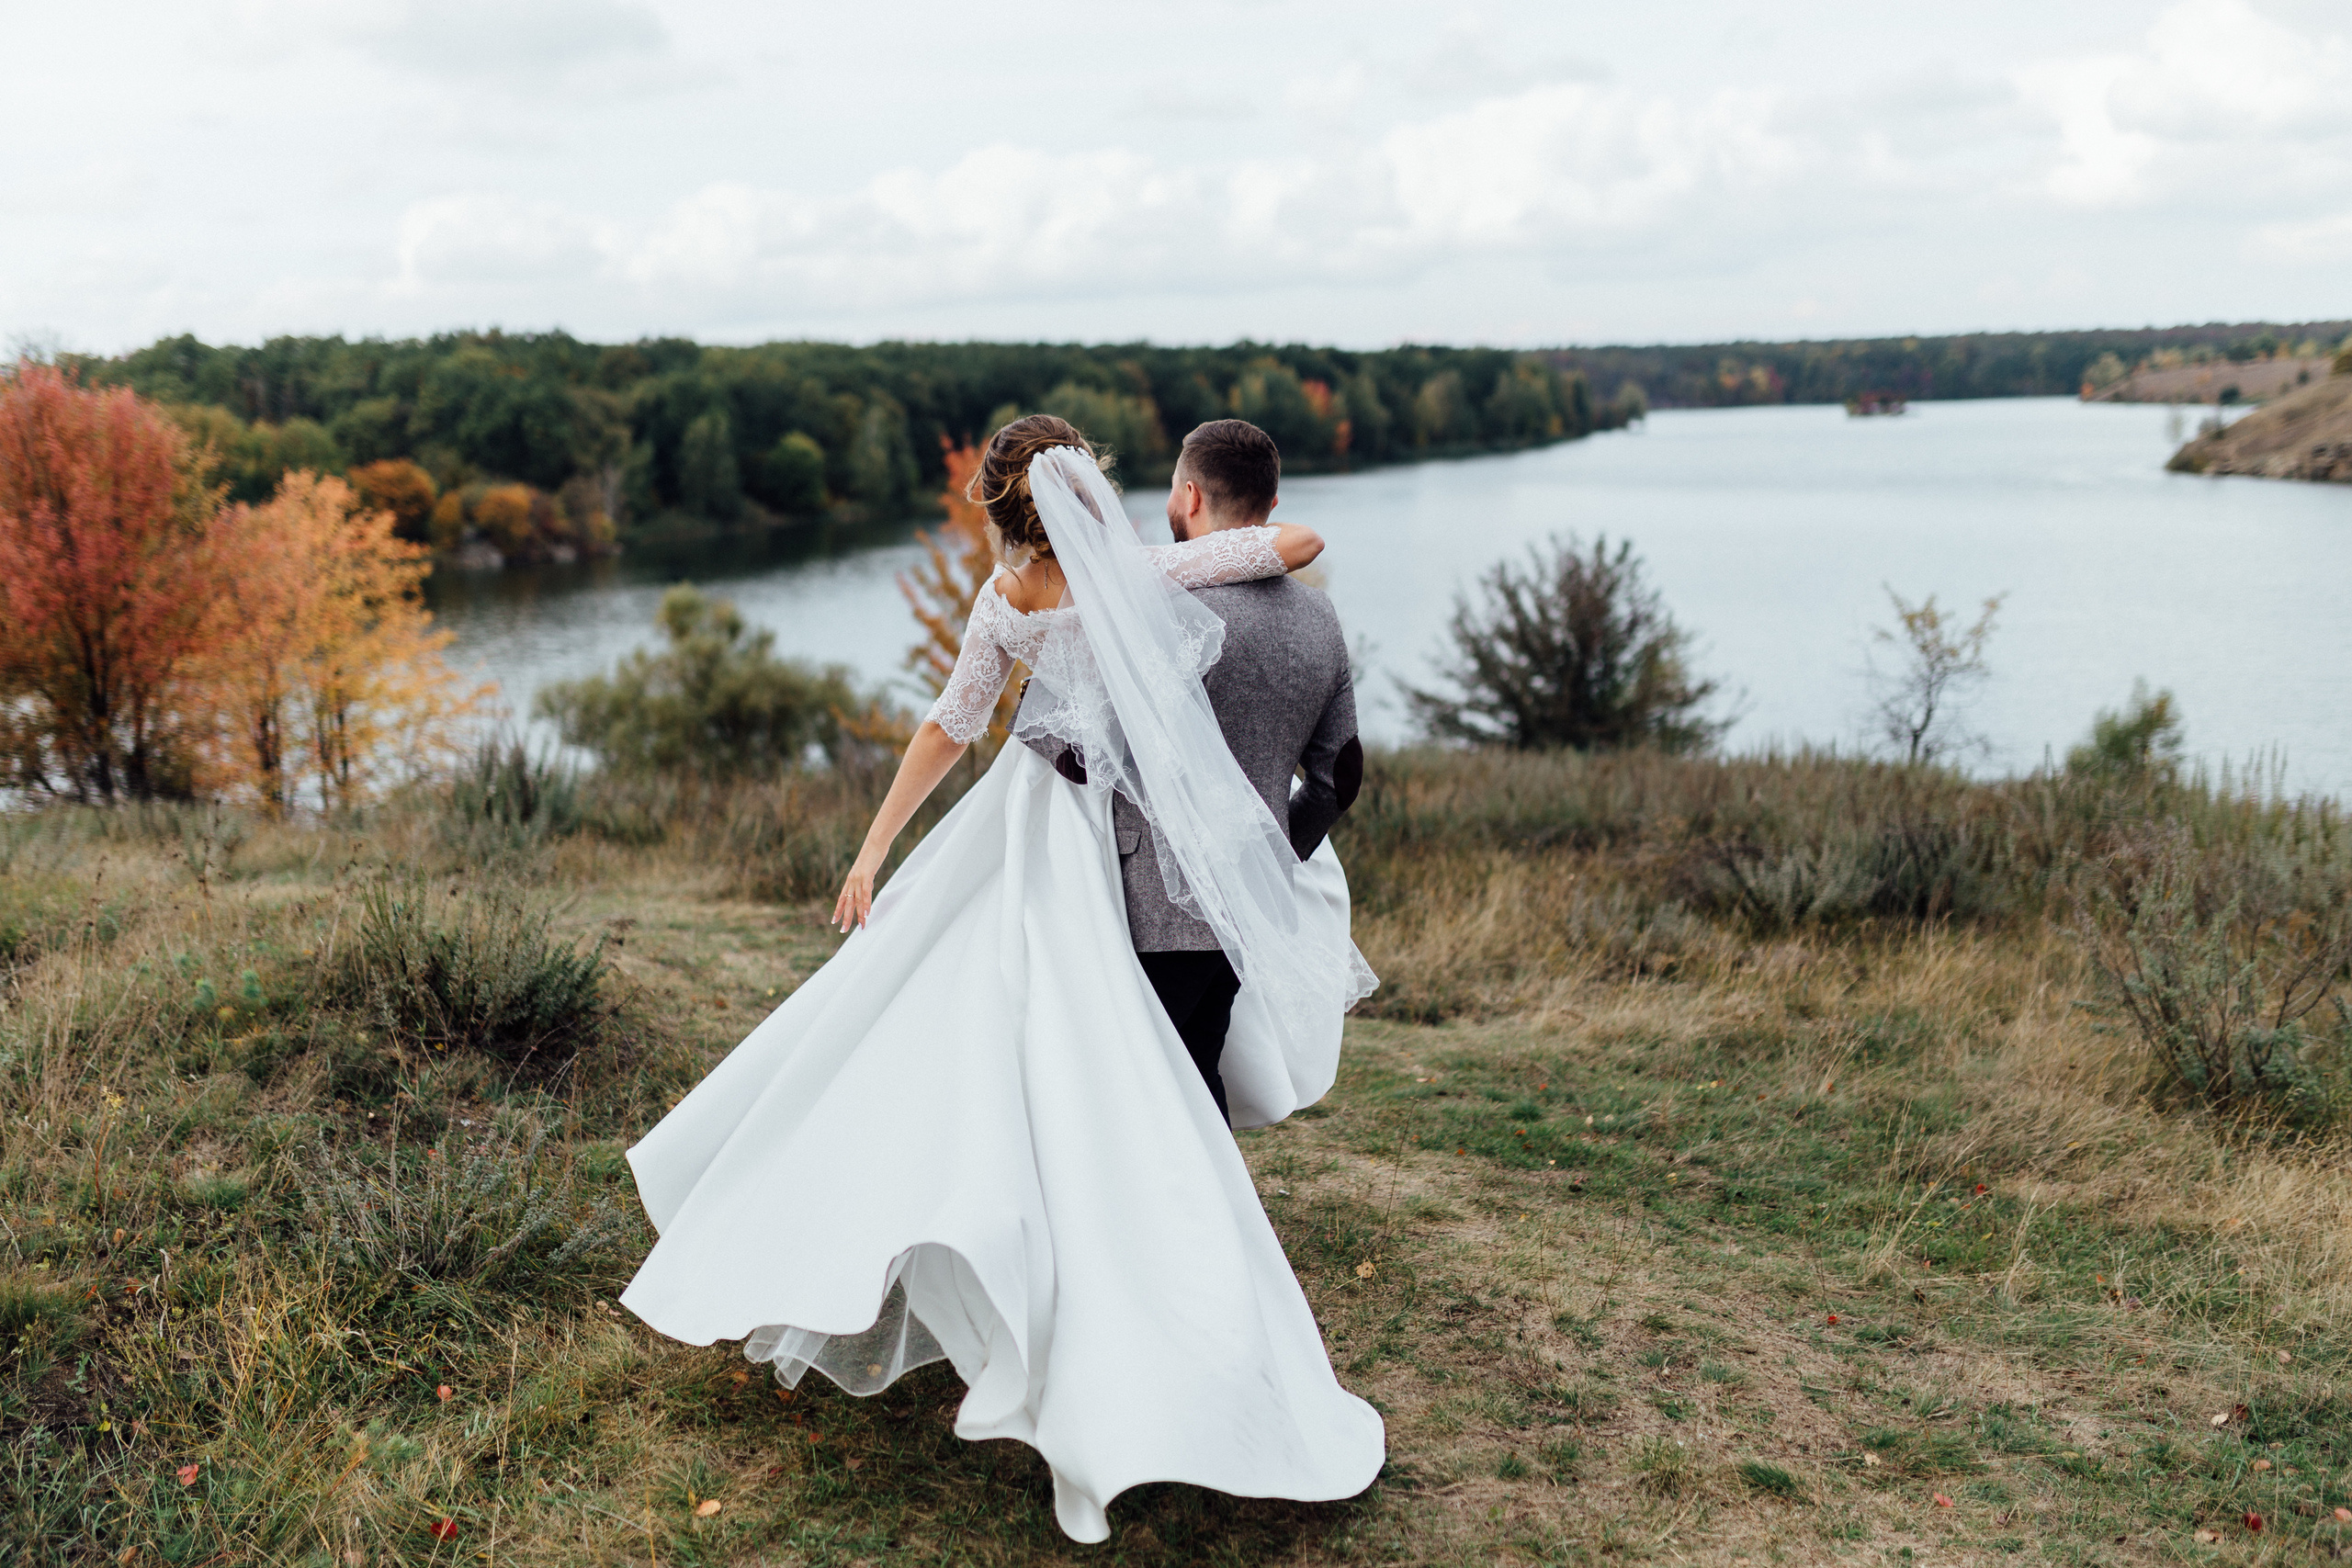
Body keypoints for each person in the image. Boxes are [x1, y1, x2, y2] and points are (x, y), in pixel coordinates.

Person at [617, 414, 1384, 1544]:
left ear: (1004, 504)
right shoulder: (1144, 574)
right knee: (1104, 1067)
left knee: (987, 1040)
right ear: (1086, 491)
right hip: (1098, 847)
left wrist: (872, 852)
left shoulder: (1008, 601)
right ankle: (1112, 1287)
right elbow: (1293, 548)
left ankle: (995, 1237)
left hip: (1029, 826)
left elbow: (949, 726)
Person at [1015, 417, 1362, 1125]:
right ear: (1267, 506)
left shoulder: (1154, 608)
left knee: (1144, 1087)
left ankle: (1183, 1228)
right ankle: (1209, 1226)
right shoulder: (1319, 618)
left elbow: (1069, 748)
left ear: (1193, 496)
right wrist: (1267, 856)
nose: (1172, 504)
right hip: (1243, 910)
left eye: (1175, 489)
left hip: (1148, 900)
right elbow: (1340, 777)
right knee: (1195, 1064)